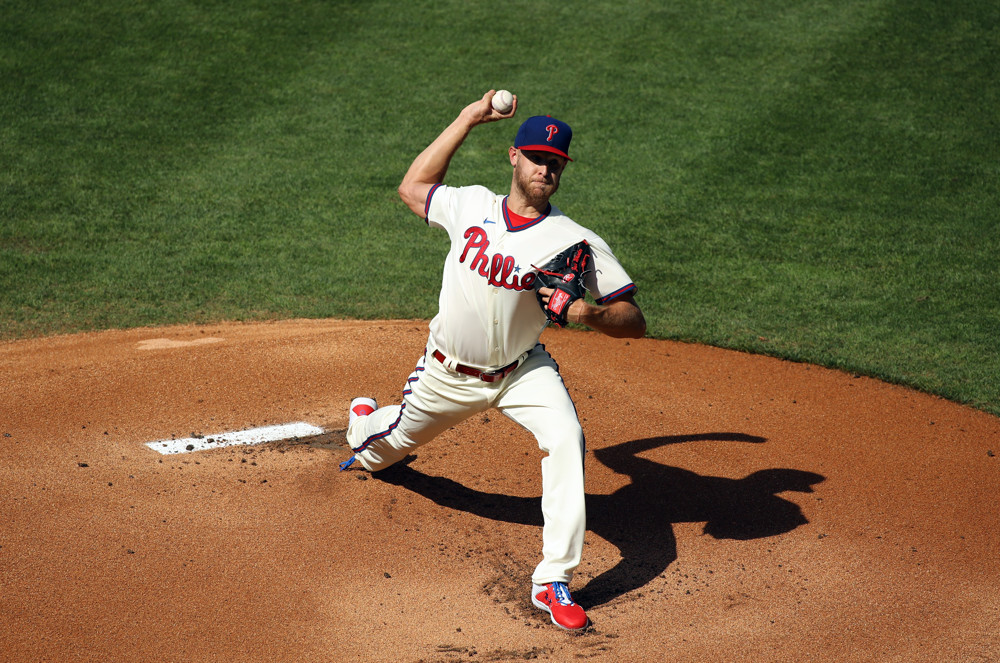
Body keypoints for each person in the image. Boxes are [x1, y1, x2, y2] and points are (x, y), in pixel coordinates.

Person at [341, 90, 645, 630]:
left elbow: (634, 320)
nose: (545, 170)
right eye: (536, 158)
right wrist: (468, 117)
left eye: (555, 163)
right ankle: (367, 420)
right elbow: (412, 188)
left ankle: (553, 581)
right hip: (446, 373)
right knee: (379, 455)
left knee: (566, 439)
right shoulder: (471, 205)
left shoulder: (574, 241)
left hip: (522, 371)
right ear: (514, 156)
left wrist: (586, 314)